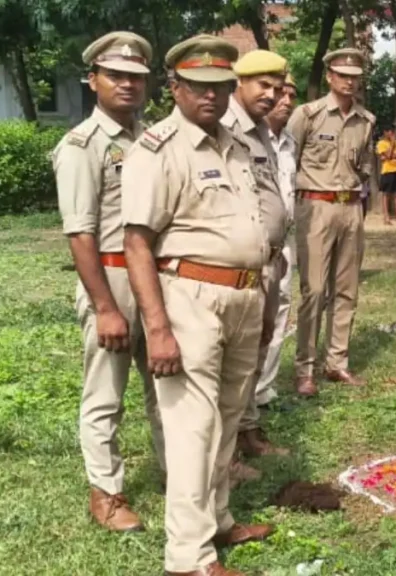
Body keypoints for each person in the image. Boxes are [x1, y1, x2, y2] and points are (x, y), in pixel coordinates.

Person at [121, 34, 273, 576]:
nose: (210, 95)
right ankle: (187, 558)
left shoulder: (235, 143)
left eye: (220, 86)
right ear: (175, 87)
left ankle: (219, 521)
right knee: (192, 428)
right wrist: (158, 328)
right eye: (198, 86)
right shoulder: (158, 149)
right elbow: (136, 242)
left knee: (228, 419)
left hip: (243, 295)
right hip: (188, 298)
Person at [52, 31, 165, 533]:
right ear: (92, 80)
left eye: (136, 77)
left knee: (167, 384)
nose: (127, 85)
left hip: (157, 278)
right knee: (106, 393)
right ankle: (107, 494)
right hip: (113, 277)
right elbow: (81, 234)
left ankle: (176, 472)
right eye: (116, 75)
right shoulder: (81, 145)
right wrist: (105, 307)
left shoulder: (152, 136)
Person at [288, 47, 376, 396]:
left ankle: (336, 363)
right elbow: (287, 163)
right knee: (314, 290)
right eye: (343, 75)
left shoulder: (365, 121)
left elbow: (365, 168)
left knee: (346, 289)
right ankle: (304, 369)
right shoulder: (307, 115)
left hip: (351, 207)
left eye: (355, 76)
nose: (349, 81)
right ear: (330, 77)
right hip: (316, 206)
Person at [221, 49, 292, 484]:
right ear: (238, 85)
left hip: (268, 261)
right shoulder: (225, 128)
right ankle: (223, 455)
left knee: (255, 351)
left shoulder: (260, 129)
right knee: (231, 362)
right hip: (236, 267)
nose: (272, 94)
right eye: (262, 85)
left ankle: (247, 431)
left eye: (278, 87)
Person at [252, 73, 299, 407]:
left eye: (291, 95)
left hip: (285, 241)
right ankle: (245, 396)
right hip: (254, 242)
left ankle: (264, 388)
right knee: (255, 314)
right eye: (280, 94)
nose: (285, 101)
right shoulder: (248, 139)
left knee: (280, 309)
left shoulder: (290, 143)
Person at [377, 127, 396, 224]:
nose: (391, 133)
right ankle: (386, 216)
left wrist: (392, 155)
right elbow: (388, 156)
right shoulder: (381, 143)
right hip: (387, 170)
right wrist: (392, 145)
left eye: (392, 132)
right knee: (386, 194)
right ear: (385, 132)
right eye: (389, 131)